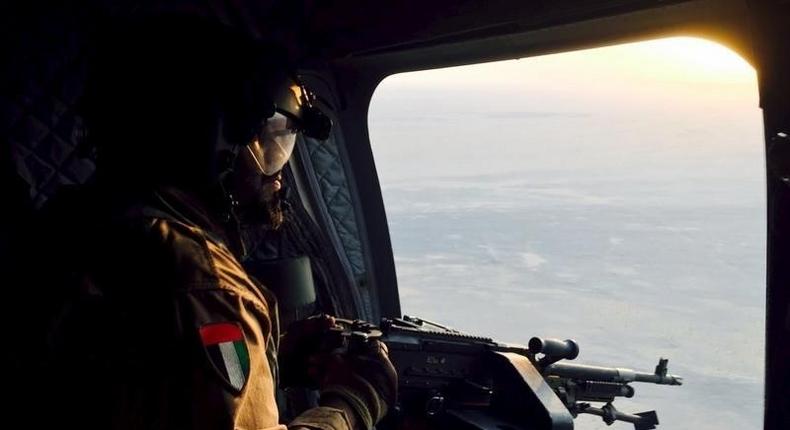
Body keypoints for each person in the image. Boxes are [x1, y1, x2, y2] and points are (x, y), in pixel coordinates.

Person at [42, 14, 396, 430]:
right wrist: (354, 402)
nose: (278, 174)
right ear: (216, 143)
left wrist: (268, 355)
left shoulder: (74, 222)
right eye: (269, 143)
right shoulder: (206, 285)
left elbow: (138, 373)